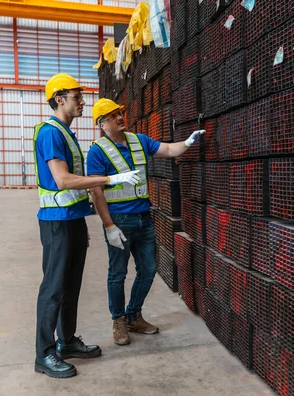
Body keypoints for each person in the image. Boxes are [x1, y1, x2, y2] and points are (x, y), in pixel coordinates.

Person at [34, 74, 142, 378]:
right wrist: (110, 179)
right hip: (57, 224)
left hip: (74, 219)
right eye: (77, 97)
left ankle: (66, 342)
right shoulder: (50, 133)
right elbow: (63, 180)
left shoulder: (67, 133)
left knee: (70, 287)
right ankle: (44, 354)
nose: (83, 102)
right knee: (53, 289)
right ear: (60, 98)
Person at [86, 98, 204, 346]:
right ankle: (118, 320)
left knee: (148, 269)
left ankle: (134, 315)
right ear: (102, 124)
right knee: (117, 274)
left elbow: (168, 150)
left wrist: (188, 143)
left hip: (144, 218)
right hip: (120, 220)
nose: (119, 117)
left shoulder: (139, 141)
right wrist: (109, 226)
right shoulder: (97, 151)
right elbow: (96, 191)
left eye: (120, 113)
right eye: (112, 115)